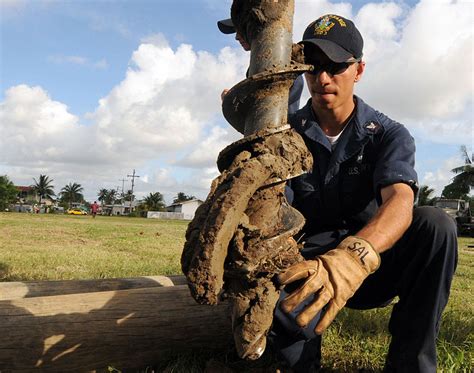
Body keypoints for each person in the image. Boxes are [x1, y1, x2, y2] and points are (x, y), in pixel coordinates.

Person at [268, 14, 458, 373]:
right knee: (293, 362)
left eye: (337, 66)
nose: (323, 78)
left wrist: (354, 256)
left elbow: (401, 200)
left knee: (436, 225)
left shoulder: (387, 134)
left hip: (370, 269)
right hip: (305, 272)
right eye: (315, 67)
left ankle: (411, 365)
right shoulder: (285, 134)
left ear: (359, 70)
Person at [217, 18, 304, 114]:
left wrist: (234, 101)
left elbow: (264, 112)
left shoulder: (280, 64)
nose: (237, 37)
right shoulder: (259, 65)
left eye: (241, 29)